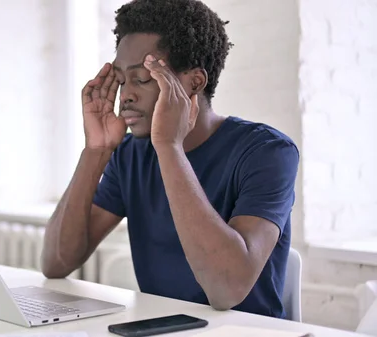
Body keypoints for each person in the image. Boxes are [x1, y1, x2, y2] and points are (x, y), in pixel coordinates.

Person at [41, 0, 299, 319]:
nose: (126, 96)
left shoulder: (267, 152)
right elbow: (56, 263)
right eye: (122, 81)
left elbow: (226, 290)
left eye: (143, 79)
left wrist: (169, 147)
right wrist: (95, 151)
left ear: (194, 82)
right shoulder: (128, 154)